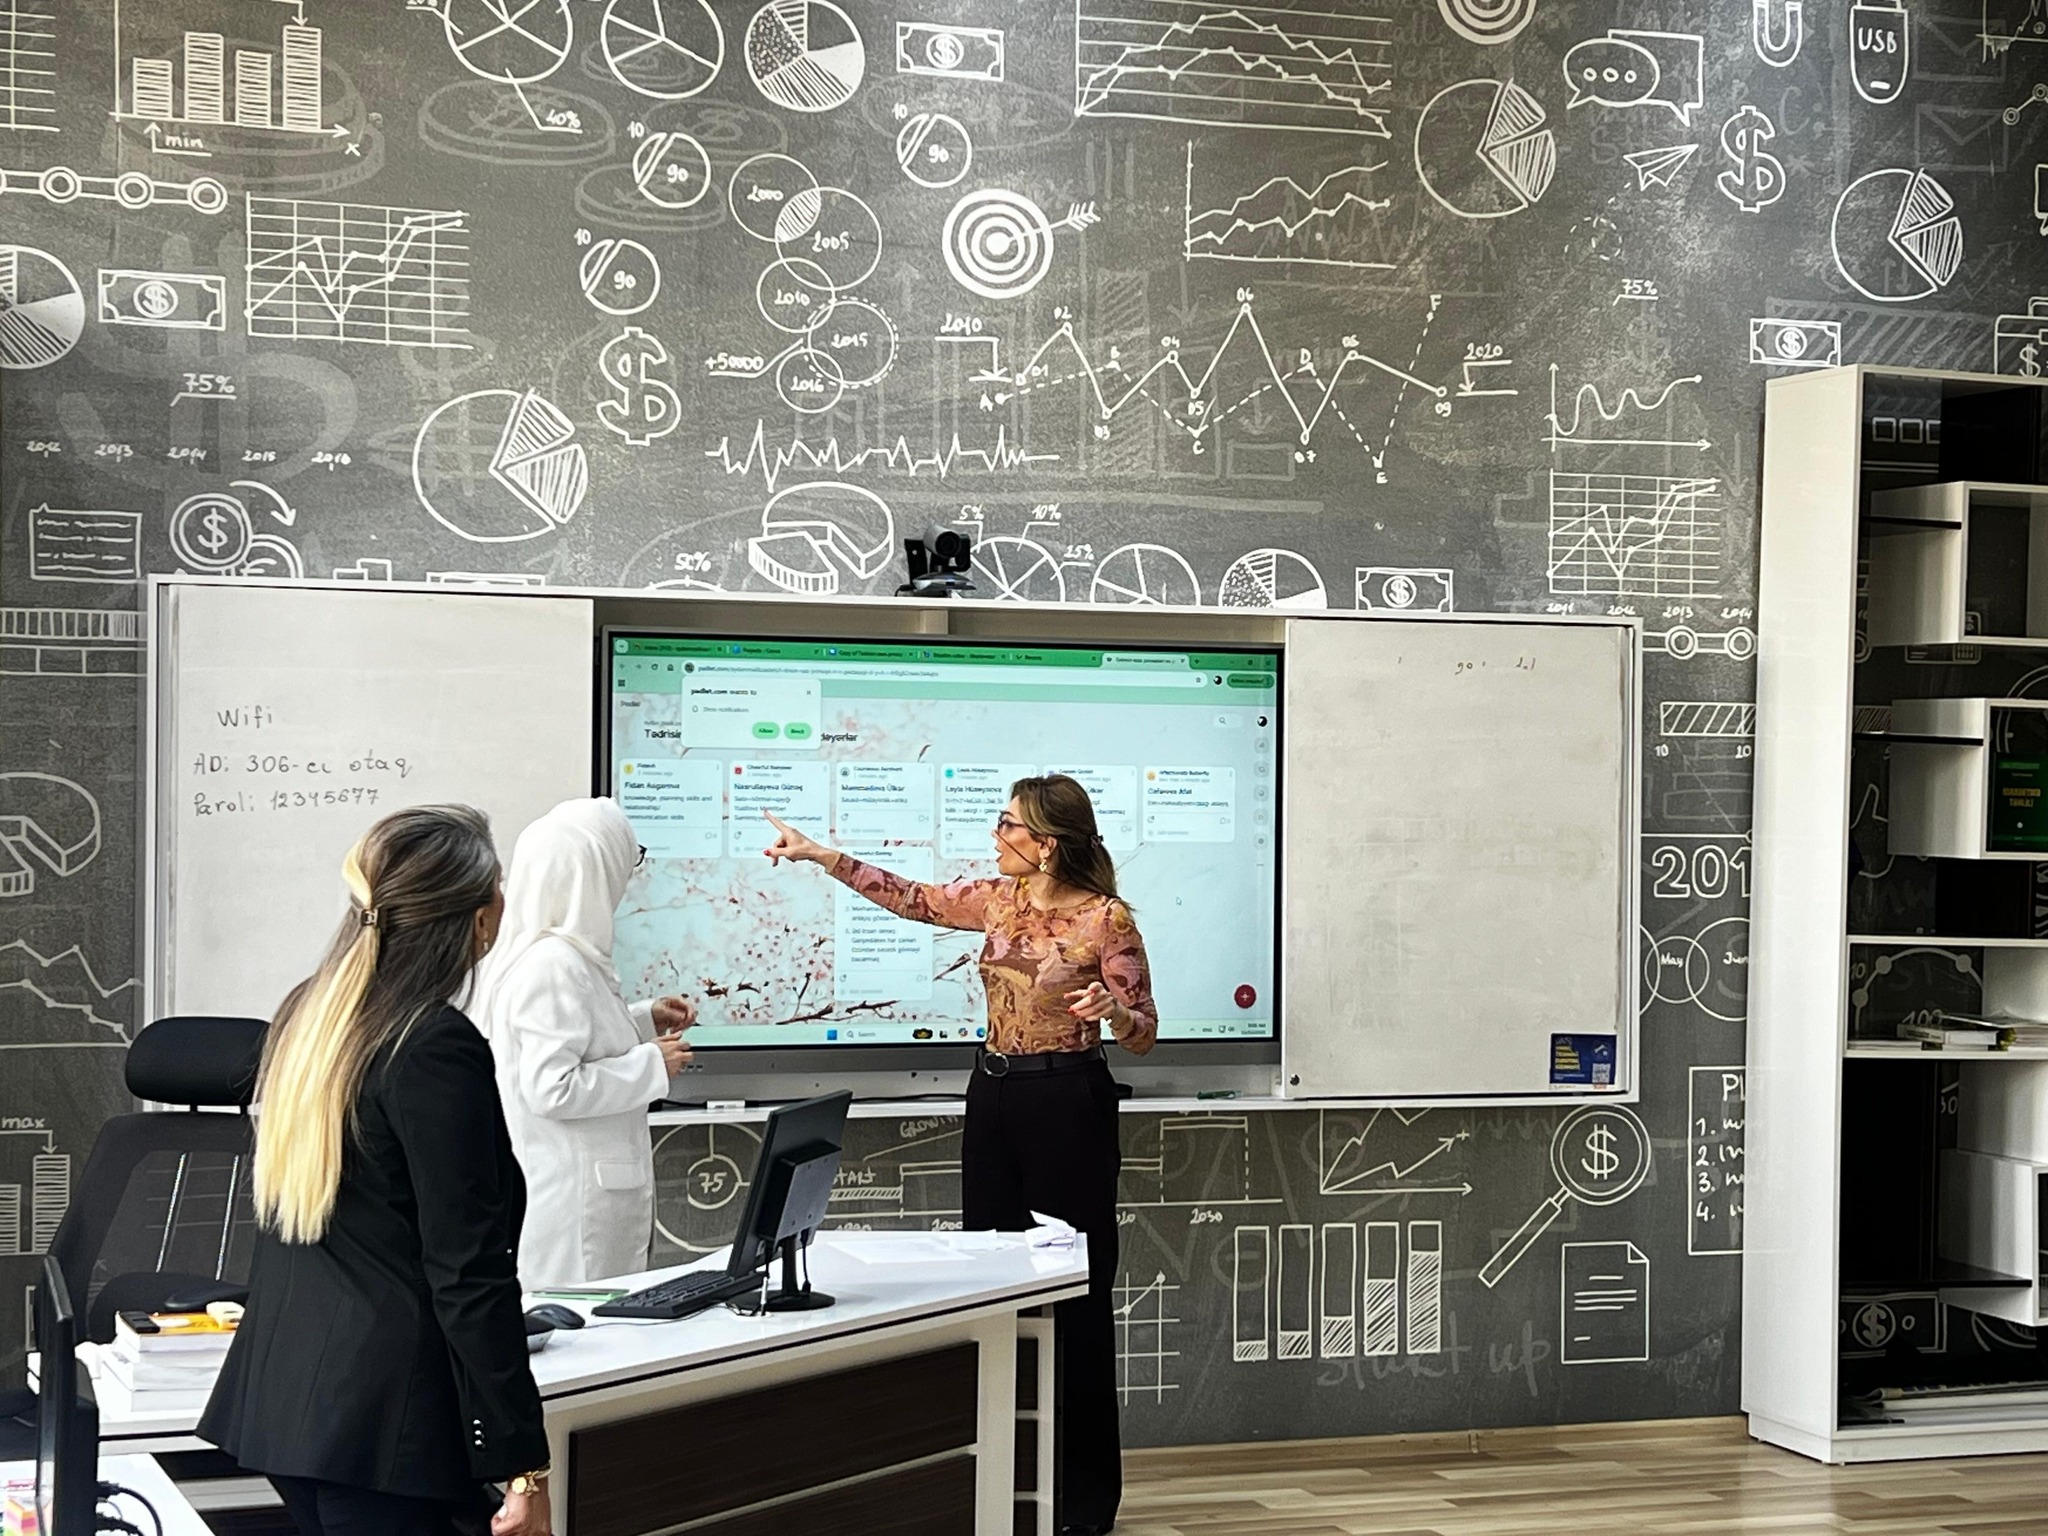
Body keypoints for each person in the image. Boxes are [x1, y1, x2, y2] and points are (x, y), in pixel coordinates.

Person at [763, 774, 1155, 1536]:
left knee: (1075, 1295)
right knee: (992, 1281)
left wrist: (1115, 1010)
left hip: (1068, 1100)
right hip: (994, 1094)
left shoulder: (1105, 920)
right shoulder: (998, 900)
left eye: (1007, 825)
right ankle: (1004, 1487)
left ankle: (1082, 1502)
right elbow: (912, 898)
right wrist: (821, 856)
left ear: (1047, 844)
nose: (994, 836)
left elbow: (1144, 1031)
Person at [200, 805, 553, 1536]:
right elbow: (468, 1270)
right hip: (386, 1428)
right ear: (479, 917)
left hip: (291, 1411)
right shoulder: (431, 1044)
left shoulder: (313, 1013)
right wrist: (523, 1464)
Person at [470, 797, 696, 1288]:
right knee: (586, 1329)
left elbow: (579, 1039)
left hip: (586, 1204)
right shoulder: (553, 965)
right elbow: (552, 1088)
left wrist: (644, 1019)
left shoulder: (564, 957)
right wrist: (652, 1066)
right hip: (575, 1215)